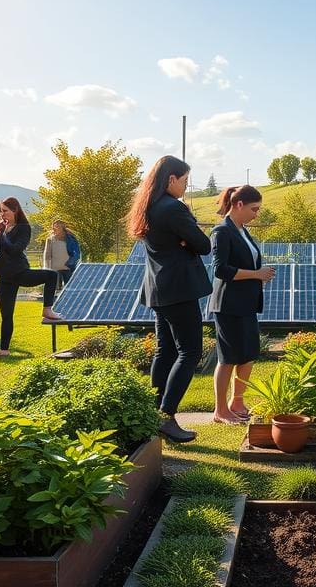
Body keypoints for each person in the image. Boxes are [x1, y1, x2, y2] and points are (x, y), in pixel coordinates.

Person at [126, 155, 212, 443]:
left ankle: (154, 415)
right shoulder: (173, 208)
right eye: (185, 181)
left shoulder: (148, 207)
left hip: (158, 288)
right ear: (171, 179)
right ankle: (167, 415)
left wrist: (186, 240)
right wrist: (189, 240)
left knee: (166, 351)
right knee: (190, 352)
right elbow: (204, 245)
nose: (186, 188)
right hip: (179, 288)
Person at [208, 185, 275, 425]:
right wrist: (257, 274)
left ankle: (237, 402)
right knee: (228, 358)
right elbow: (220, 270)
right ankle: (220, 410)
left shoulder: (243, 231)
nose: (256, 214)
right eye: (254, 209)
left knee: (247, 355)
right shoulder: (221, 232)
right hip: (228, 305)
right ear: (238, 205)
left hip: (246, 304)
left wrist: (259, 276)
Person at [0, 197, 62, 357]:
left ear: (15, 210)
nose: (2, 214)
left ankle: (47, 309)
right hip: (4, 276)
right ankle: (4, 350)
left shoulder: (23, 228)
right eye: (0, 211)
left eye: (5, 211)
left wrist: (2, 235)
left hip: (20, 272)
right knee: (6, 315)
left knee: (52, 275)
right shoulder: (4, 229)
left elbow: (14, 250)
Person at [42, 219, 81, 286]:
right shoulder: (50, 240)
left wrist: (70, 263)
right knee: (55, 289)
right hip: (54, 269)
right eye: (55, 226)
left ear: (63, 227)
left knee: (69, 288)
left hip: (67, 268)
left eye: (58, 226)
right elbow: (47, 256)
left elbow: (77, 253)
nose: (56, 228)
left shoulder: (71, 239)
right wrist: (47, 269)